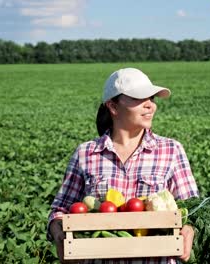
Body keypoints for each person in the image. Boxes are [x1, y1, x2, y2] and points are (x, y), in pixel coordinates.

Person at [47, 68, 199, 264]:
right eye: (139, 98)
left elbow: (194, 209)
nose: (150, 106)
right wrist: (59, 231)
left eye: (152, 98)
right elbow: (59, 210)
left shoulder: (171, 150)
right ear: (113, 106)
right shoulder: (86, 153)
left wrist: (189, 230)